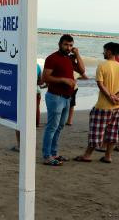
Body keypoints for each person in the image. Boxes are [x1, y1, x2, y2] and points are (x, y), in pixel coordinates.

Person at [74, 42, 119, 164]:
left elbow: (100, 84)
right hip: (118, 105)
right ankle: (108, 156)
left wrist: (110, 96)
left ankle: (87, 155)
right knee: (112, 131)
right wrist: (117, 96)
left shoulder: (102, 66)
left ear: (109, 51)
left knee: (96, 131)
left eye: (104, 50)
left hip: (103, 105)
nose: (103, 52)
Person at [41, 34, 85, 166]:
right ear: (59, 44)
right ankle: (47, 156)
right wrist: (63, 79)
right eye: (66, 44)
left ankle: (54, 153)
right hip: (55, 97)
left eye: (71, 45)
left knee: (59, 127)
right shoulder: (52, 58)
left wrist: (77, 55)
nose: (68, 47)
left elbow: (82, 70)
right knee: (52, 127)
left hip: (67, 98)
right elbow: (45, 78)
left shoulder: (70, 58)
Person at [13, 62, 44, 151]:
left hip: (22, 93)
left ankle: (20, 145)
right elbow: (40, 81)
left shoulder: (19, 63)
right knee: (33, 118)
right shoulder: (36, 65)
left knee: (19, 120)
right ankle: (30, 143)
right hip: (35, 92)